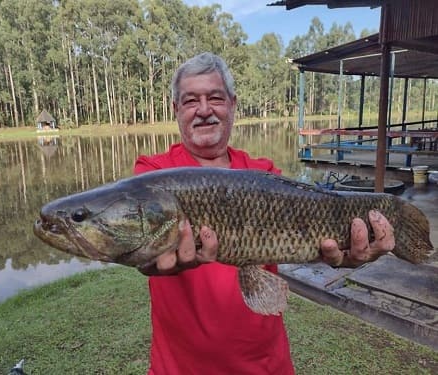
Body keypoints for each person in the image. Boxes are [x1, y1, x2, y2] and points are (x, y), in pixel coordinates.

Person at [134, 52, 395, 375]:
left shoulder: (263, 172)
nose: (204, 110)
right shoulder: (152, 174)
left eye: (214, 98)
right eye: (190, 101)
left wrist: (346, 251)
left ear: (232, 104)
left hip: (266, 364)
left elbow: (306, 243)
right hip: (179, 367)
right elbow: (140, 251)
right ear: (176, 110)